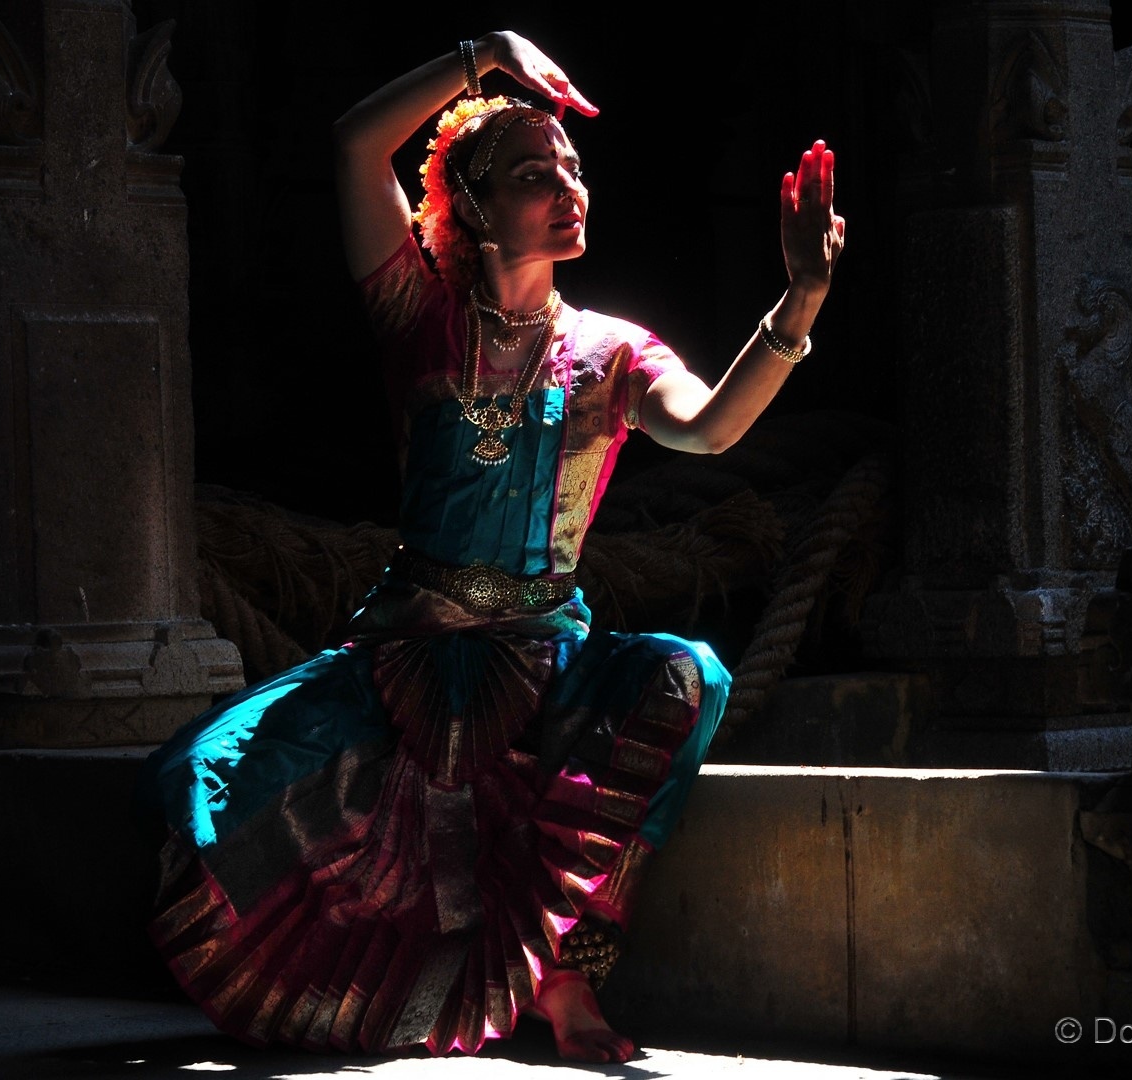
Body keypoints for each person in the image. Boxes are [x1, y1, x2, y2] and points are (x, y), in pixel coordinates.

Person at [137, 30, 844, 1064]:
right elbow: (355, 144)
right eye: (532, 174)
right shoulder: (415, 310)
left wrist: (799, 301)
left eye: (574, 170)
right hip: (404, 655)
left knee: (685, 677)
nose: (568, 189)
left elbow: (709, 430)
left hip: (545, 664)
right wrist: (484, 56)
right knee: (210, 778)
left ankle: (569, 979)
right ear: (469, 205)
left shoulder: (612, 350)